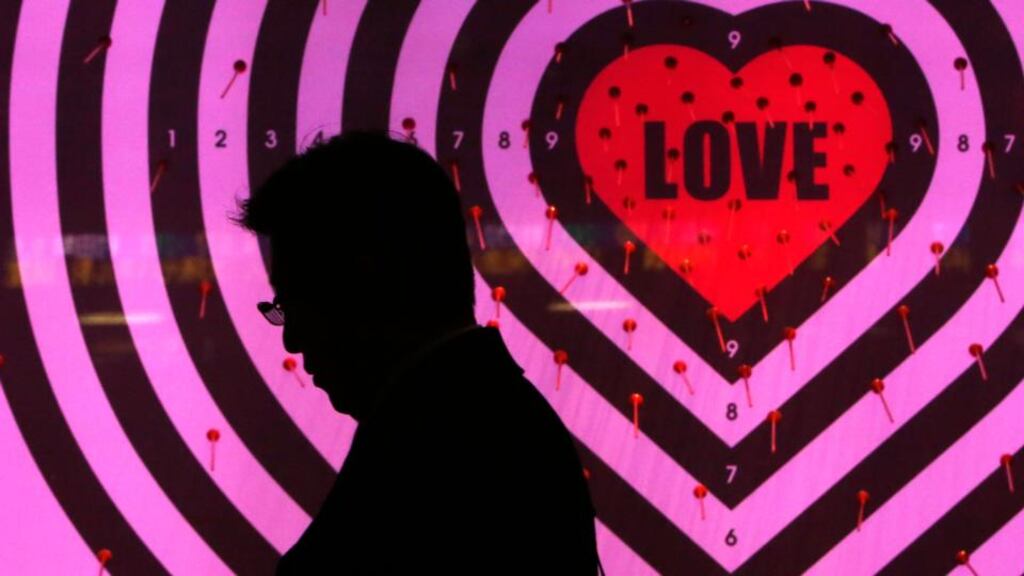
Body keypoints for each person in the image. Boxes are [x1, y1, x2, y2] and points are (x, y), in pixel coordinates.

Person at [230, 130, 603, 574]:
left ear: (367, 279)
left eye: (296, 303)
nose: (292, 340)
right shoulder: (483, 418)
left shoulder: (436, 439)